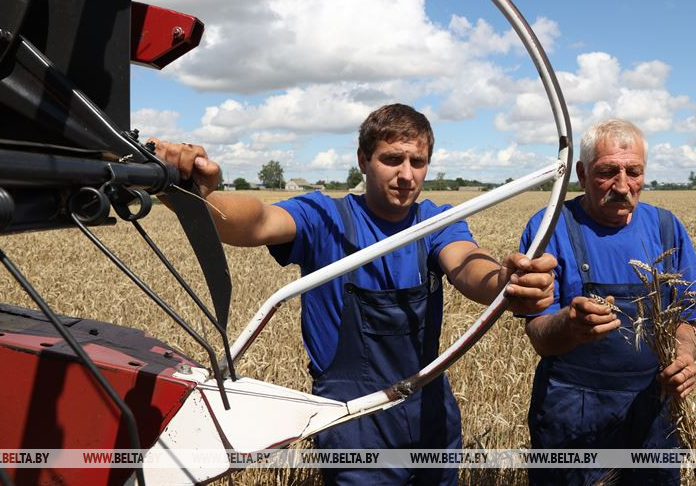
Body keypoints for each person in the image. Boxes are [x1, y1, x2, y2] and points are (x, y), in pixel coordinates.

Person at [152, 103, 557, 485]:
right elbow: (255, 222)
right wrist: (192, 194)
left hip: (429, 411)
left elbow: (468, 264)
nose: (407, 175)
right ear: (363, 160)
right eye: (391, 159)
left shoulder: (436, 220)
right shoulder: (324, 218)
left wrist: (506, 282)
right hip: (353, 422)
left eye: (418, 162)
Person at [520, 119, 696, 485]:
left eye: (633, 172)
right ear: (581, 173)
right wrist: (571, 326)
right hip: (571, 411)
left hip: (652, 409)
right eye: (608, 172)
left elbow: (687, 318)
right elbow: (540, 335)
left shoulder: (667, 228)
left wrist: (684, 358)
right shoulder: (549, 228)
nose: (623, 186)